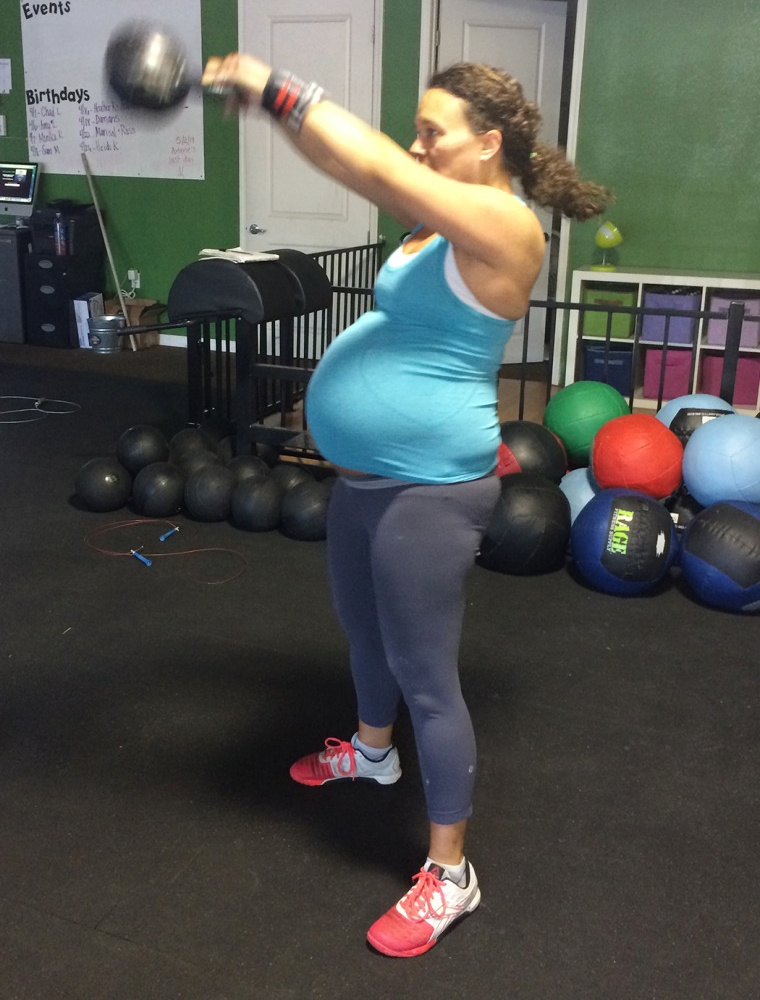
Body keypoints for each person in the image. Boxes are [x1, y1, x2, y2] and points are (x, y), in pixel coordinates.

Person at [202, 53, 611, 958]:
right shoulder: (434, 220)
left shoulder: (504, 224)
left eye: (434, 132)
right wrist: (281, 124)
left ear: (488, 144)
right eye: (418, 131)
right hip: (365, 479)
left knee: (427, 674)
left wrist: (276, 89)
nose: (418, 147)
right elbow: (365, 169)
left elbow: (375, 164)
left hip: (430, 487)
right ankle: (372, 751)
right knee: (361, 630)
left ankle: (450, 875)